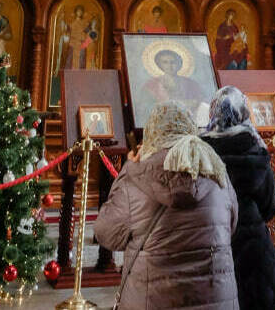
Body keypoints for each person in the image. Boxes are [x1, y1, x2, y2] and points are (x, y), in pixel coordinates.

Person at [94, 101, 239, 309]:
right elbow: (230, 227)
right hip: (215, 299)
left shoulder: (136, 176)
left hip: (151, 300)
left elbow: (106, 233)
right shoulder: (217, 172)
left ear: (152, 132)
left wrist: (128, 168)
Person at [201, 87, 275, 309]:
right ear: (243, 112)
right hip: (251, 248)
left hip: (210, 242)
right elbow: (269, 206)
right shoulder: (254, 147)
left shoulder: (200, 149)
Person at [140, 49, 207, 121]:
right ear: (159, 65)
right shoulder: (151, 84)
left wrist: (192, 103)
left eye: (173, 62)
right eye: (165, 62)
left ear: (178, 64)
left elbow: (201, 102)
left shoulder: (191, 83)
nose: (169, 66)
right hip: (163, 120)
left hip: (187, 119)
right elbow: (145, 107)